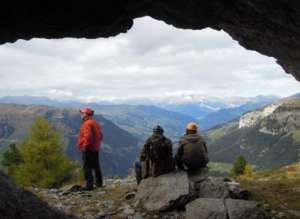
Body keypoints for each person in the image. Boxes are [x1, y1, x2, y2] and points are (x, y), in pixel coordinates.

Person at [77, 108, 103, 190]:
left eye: (82, 113)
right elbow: (101, 135)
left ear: (85, 114)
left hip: (89, 149)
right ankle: (99, 183)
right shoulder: (95, 123)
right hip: (95, 148)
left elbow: (88, 137)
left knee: (87, 168)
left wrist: (84, 146)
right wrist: (96, 144)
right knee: (96, 166)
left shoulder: (86, 124)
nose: (80, 115)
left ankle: (89, 186)